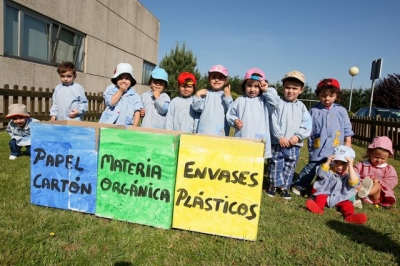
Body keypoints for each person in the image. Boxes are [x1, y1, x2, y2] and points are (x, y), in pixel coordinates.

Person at [291, 78, 354, 197]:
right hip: (317, 147)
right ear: (318, 95)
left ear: (337, 95)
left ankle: (324, 189)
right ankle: (299, 185)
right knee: (312, 167)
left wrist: (348, 141)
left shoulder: (341, 110)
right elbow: (306, 127)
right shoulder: (314, 110)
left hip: (335, 147)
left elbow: (347, 127)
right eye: (323, 96)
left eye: (331, 96)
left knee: (331, 170)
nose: (327, 99)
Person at [267, 71, 312, 199]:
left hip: (294, 144)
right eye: (288, 87)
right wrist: (279, 136)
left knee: (290, 165)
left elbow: (307, 124)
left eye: (294, 88)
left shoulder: (301, 107)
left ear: (301, 90)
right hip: (278, 142)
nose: (290, 91)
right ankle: (273, 185)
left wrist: (297, 136)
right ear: (283, 88)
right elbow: (273, 121)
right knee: (275, 163)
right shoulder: (278, 103)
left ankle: (284, 187)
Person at [305, 146, 368, 225]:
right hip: (327, 194)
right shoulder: (329, 169)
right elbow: (320, 174)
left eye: (343, 163)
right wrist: (328, 162)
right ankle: (318, 208)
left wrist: (350, 167)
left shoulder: (352, 174)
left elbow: (354, 183)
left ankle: (350, 216)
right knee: (320, 197)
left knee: (347, 204)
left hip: (342, 197)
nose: (338, 166)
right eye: (336, 162)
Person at [226, 67, 279, 155]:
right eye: (249, 86)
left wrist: (266, 90)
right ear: (244, 86)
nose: (252, 89)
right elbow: (230, 114)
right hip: (243, 137)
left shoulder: (265, 100)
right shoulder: (239, 100)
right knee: (241, 161)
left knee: (257, 164)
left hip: (259, 139)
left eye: (256, 86)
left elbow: (275, 103)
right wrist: (234, 121)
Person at [355, 136, 398, 207]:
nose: (379, 160)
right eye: (376, 157)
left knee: (377, 186)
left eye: (383, 158)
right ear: (370, 153)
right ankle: (360, 193)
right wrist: (360, 181)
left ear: (388, 157)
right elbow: (354, 172)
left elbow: (392, 180)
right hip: (361, 187)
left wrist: (379, 181)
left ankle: (366, 193)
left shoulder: (388, 169)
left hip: (376, 196)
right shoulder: (362, 164)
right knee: (357, 181)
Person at [193, 65, 233, 136]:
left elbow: (231, 111)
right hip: (204, 131)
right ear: (209, 79)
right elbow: (197, 108)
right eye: (214, 77)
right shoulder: (205, 93)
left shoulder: (225, 95)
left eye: (220, 77)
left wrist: (228, 97)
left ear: (225, 81)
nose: (217, 80)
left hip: (219, 133)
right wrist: (197, 96)